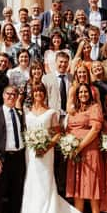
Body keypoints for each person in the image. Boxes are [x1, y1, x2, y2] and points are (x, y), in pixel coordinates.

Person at [18, 83, 103, 213]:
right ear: (32, 94)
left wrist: (46, 145)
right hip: (31, 153)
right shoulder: (27, 112)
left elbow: (58, 133)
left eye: (41, 91)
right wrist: (34, 144)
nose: (38, 94)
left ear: (45, 94)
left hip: (46, 152)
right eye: (36, 92)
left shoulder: (52, 112)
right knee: (31, 185)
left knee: (46, 185)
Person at [66, 83, 104, 213]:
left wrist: (80, 146)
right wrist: (69, 145)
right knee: (77, 184)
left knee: (91, 184)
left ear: (90, 94)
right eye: (80, 92)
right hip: (75, 152)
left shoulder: (95, 108)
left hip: (89, 151)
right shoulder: (74, 110)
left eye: (85, 92)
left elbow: (95, 129)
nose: (83, 94)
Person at [42, 52, 72, 196]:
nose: (63, 65)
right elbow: (43, 99)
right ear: (55, 62)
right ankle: (51, 189)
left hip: (69, 122)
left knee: (66, 154)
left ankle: (63, 189)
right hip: (52, 122)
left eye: (65, 62)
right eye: (60, 62)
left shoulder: (72, 78)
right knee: (52, 154)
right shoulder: (46, 78)